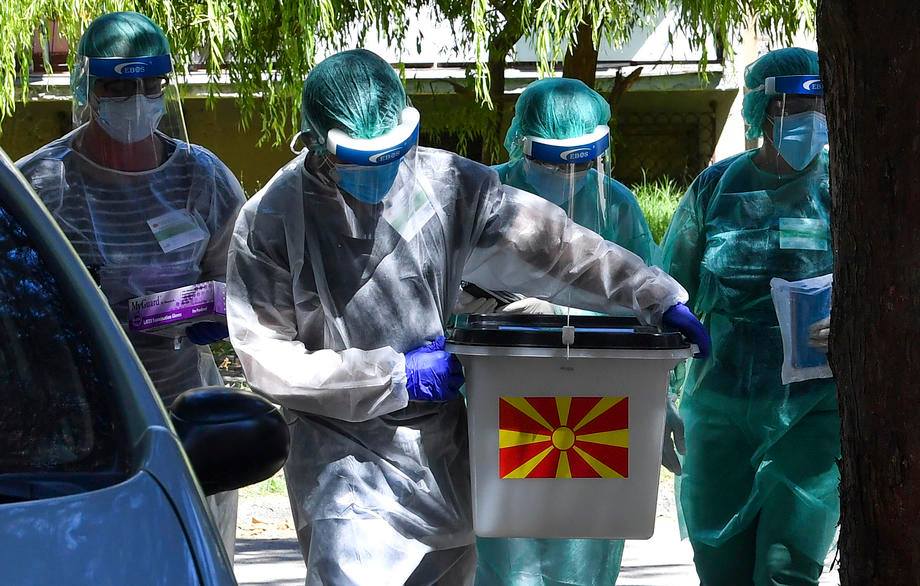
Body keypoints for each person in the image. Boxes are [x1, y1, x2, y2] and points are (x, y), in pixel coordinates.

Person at [226, 48, 710, 585]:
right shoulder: (274, 220)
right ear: (316, 145)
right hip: (342, 464)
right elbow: (267, 357)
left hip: (439, 454)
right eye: (362, 161)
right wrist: (393, 376)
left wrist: (651, 293)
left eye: (394, 153)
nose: (383, 172)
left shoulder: (444, 185)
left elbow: (555, 246)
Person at [16, 11, 245, 557]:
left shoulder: (201, 177)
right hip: (78, 427)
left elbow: (244, 280)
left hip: (185, 412)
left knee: (189, 556)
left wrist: (218, 310)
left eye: (150, 85)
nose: (136, 101)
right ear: (88, 88)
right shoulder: (43, 183)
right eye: (117, 88)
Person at [470, 77, 664, 586]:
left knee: (585, 543)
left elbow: (642, 302)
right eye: (554, 163)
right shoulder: (484, 198)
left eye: (581, 163)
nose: (569, 176)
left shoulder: (616, 205)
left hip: (598, 397)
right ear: (521, 145)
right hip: (502, 397)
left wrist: (662, 400)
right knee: (506, 549)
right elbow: (439, 288)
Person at [658, 47, 838, 585]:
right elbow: (664, 297)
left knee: (788, 568)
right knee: (721, 569)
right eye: (793, 107)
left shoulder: (844, 188)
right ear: (762, 111)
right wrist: (657, 400)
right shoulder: (715, 190)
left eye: (820, 106)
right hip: (719, 411)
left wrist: (856, 327)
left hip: (813, 413)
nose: (809, 120)